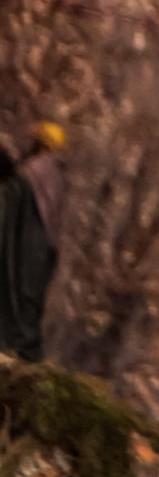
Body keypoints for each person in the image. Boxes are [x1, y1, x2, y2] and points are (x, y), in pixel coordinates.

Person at [0, 120, 66, 361]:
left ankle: (17, 344)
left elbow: (14, 191)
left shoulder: (33, 171)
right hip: (46, 245)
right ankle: (27, 349)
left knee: (19, 289)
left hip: (29, 242)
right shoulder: (57, 173)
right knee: (32, 297)